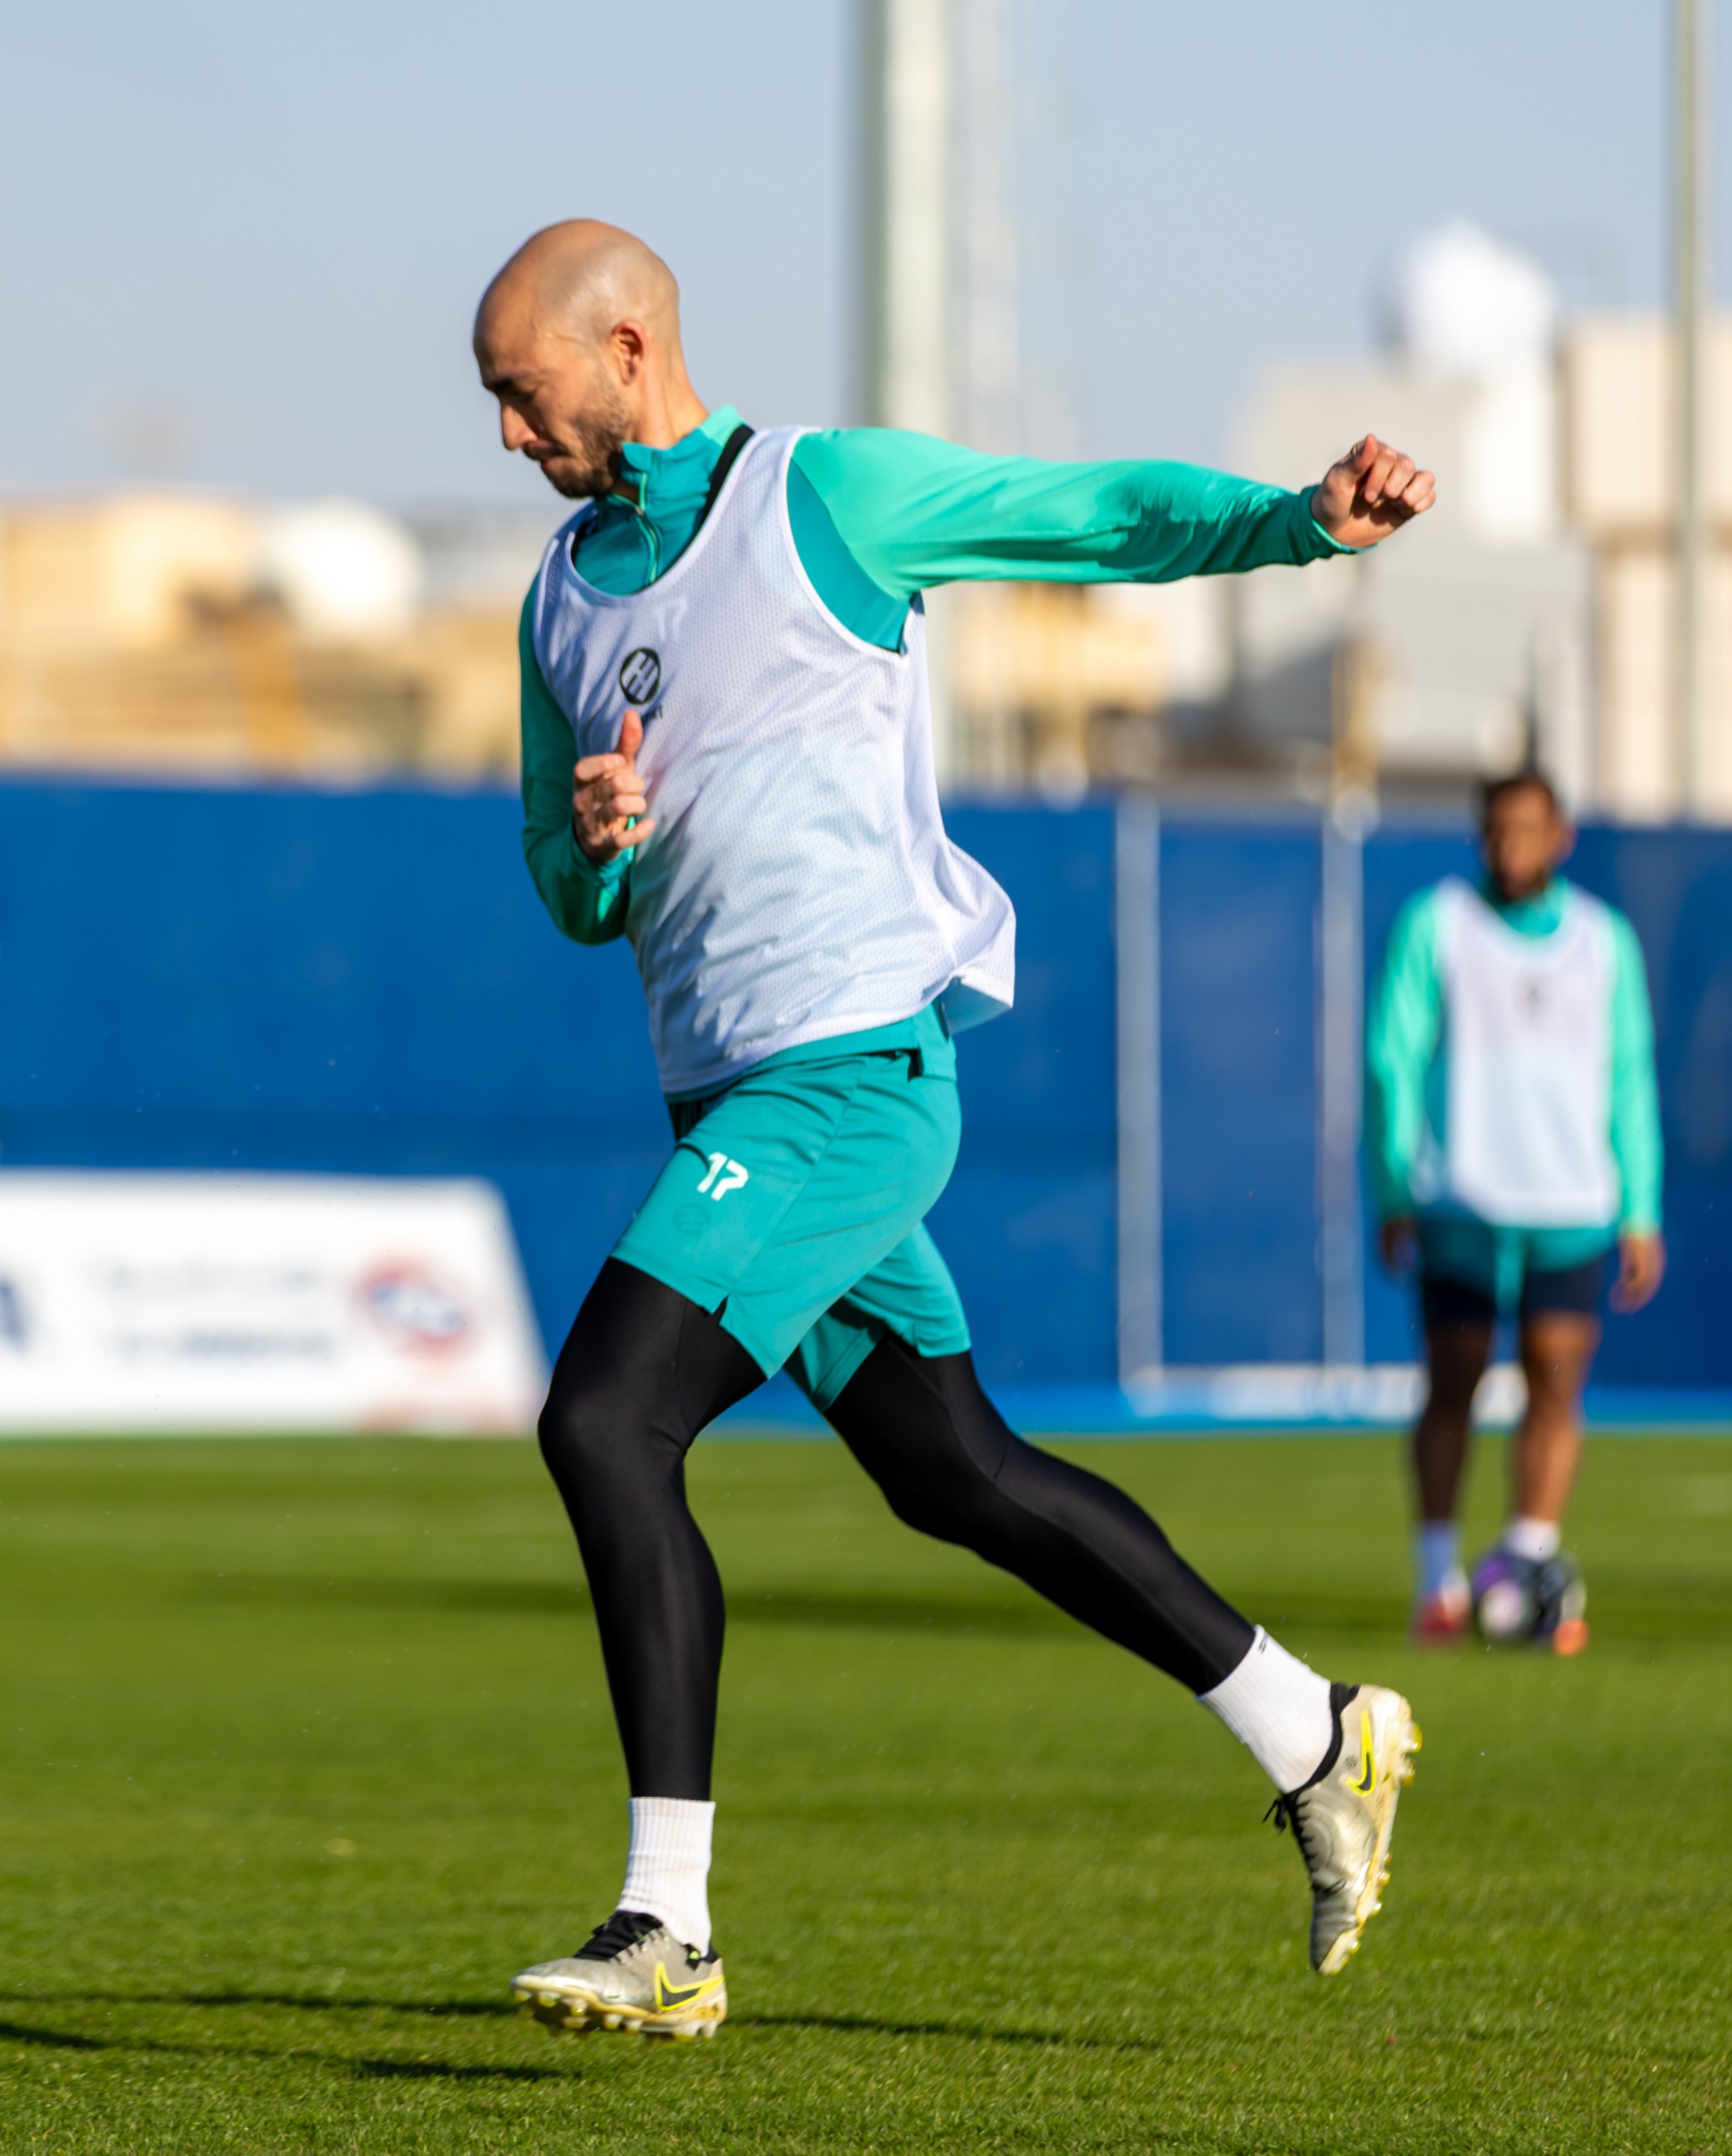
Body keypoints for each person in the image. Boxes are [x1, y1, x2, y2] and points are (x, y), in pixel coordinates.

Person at [471, 219, 1432, 2043]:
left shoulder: (827, 500)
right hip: (732, 1097)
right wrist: (592, 847)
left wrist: (1300, 520)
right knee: (957, 1473)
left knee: (605, 1421)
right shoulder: (558, 601)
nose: (511, 438)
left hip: (849, 1084)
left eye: (523, 398)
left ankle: (663, 1925)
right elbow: (559, 880)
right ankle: (1317, 1734)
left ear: (622, 347)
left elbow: (1099, 512)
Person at [1368, 771, 1664, 1652]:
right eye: (1496, 829)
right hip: (1462, 1205)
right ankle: (1438, 1583)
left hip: (1572, 1205)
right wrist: (1396, 1188)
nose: (1510, 845)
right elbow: (1393, 1056)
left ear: (1561, 835)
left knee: (1555, 1383)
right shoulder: (1437, 924)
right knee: (1452, 1387)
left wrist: (1641, 1208)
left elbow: (1631, 1077)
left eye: (1527, 828)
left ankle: (1528, 1568)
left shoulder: (1605, 941)